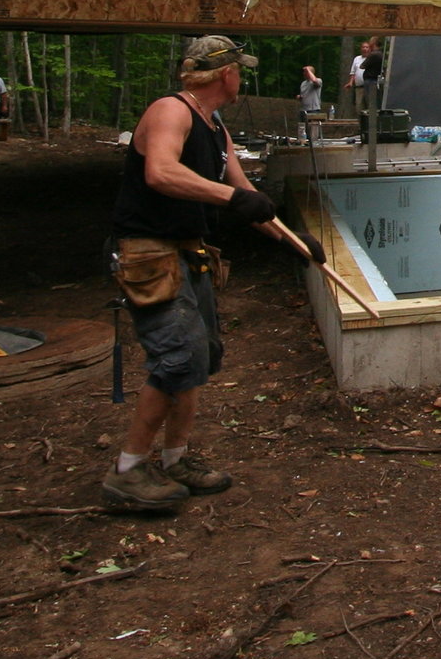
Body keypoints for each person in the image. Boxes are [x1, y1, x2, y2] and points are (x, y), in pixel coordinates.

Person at [104, 34, 321, 512]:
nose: (241, 77)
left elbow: (247, 196)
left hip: (189, 253)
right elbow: (160, 172)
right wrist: (232, 198)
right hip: (151, 254)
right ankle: (127, 471)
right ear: (226, 74)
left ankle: (175, 458)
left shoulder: (214, 125)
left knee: (200, 359)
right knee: (178, 357)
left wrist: (293, 241)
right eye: (239, 70)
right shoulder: (171, 111)